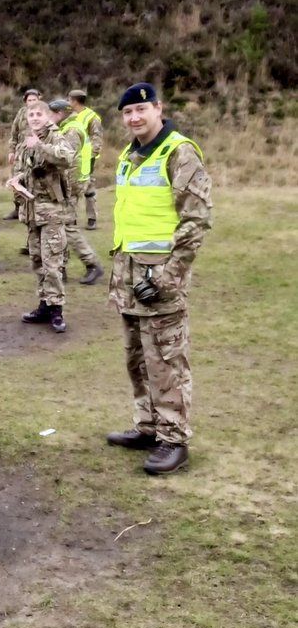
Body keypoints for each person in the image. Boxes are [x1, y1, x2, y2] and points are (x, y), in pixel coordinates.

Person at [106, 84, 212, 476]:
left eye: (140, 109)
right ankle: (149, 427)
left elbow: (196, 220)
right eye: (127, 112)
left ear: (158, 109)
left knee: (166, 359)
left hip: (159, 280)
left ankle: (175, 439)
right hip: (130, 279)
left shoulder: (179, 152)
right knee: (138, 360)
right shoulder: (131, 155)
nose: (134, 118)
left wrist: (169, 280)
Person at [7, 100, 75, 333]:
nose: (34, 118)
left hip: (51, 211)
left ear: (47, 116)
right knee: (37, 260)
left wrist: (41, 147)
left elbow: (67, 158)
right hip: (32, 211)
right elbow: (24, 169)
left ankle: (57, 309)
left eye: (38, 114)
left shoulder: (54, 137)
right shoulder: (28, 139)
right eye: (31, 114)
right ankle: (44, 304)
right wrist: (17, 180)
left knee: (52, 262)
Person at [48, 99, 105, 285]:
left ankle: (92, 263)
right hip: (71, 185)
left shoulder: (71, 130)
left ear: (59, 113)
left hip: (71, 187)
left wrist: (65, 189)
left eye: (51, 113)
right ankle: (61, 267)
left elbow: (68, 162)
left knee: (67, 227)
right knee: (61, 225)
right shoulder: (72, 126)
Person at [5, 88, 42, 243]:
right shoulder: (21, 114)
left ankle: (33, 230)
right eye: (29, 100)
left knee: (31, 187)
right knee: (16, 183)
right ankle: (19, 208)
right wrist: (11, 151)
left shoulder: (43, 113)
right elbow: (14, 133)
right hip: (21, 153)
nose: (32, 103)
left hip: (36, 154)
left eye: (34, 100)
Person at [68, 89, 103, 229]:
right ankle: (72, 219)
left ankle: (92, 218)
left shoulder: (92, 117)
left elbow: (97, 138)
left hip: (87, 159)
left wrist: (90, 156)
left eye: (69, 100)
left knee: (89, 189)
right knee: (72, 189)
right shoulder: (71, 116)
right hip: (73, 158)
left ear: (74, 101)